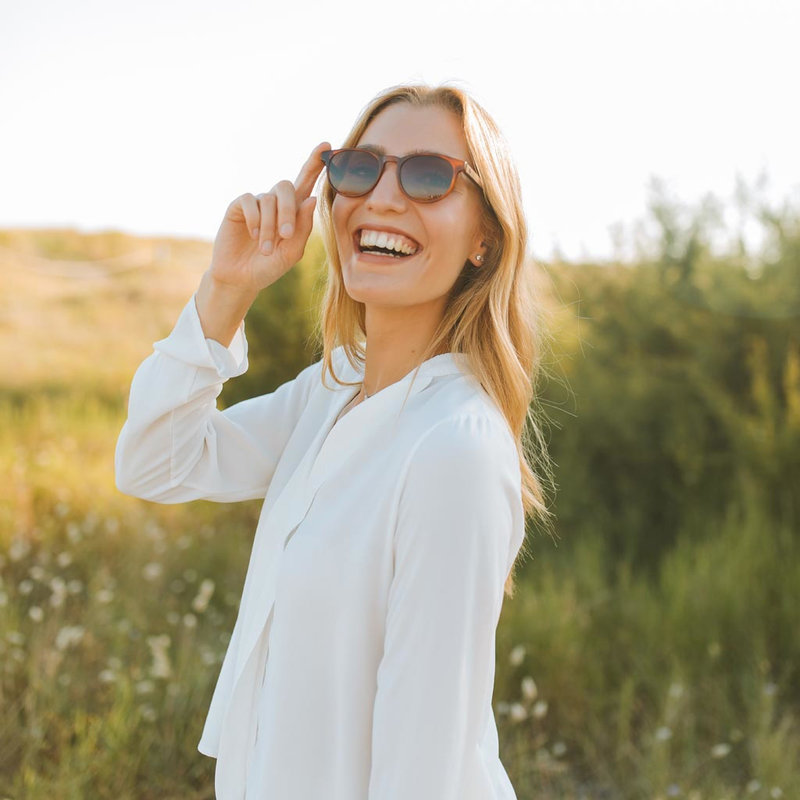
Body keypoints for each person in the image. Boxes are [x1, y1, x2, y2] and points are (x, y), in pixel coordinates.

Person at [115, 82, 554, 800]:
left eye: (428, 175)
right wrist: (227, 290)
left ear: (485, 238)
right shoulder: (332, 390)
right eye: (361, 167)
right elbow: (154, 465)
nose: (382, 197)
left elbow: (422, 774)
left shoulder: (455, 449)